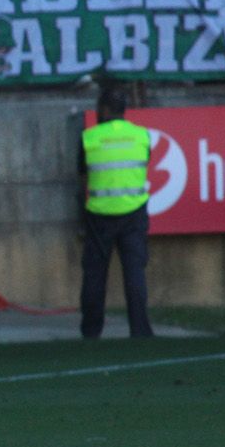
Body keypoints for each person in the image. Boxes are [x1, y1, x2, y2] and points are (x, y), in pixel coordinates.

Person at [79, 86, 153, 339]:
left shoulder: (90, 137)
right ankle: (140, 331)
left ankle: (91, 332)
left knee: (94, 275)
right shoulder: (142, 135)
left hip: (99, 215)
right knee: (134, 272)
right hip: (134, 213)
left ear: (105, 110)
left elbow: (82, 176)